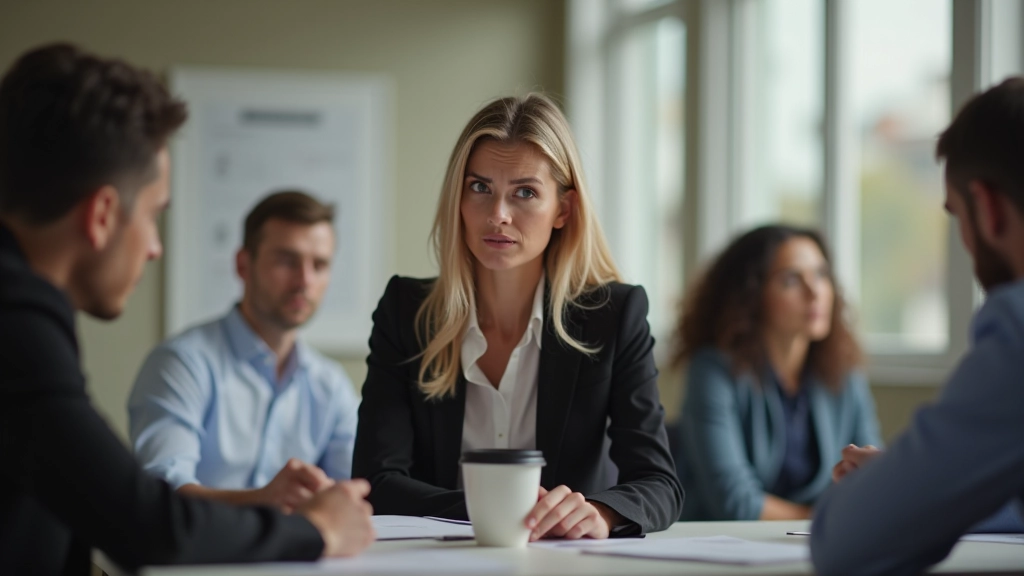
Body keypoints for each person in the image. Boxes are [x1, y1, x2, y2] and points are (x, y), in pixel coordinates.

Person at [0, 43, 374, 576]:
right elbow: (147, 523)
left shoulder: (24, 309)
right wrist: (316, 529)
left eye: (319, 263)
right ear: (103, 215)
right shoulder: (18, 323)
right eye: (154, 216)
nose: (154, 247)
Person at [352, 93, 683, 540]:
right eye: (480, 187)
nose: (498, 215)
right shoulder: (406, 312)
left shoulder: (614, 316)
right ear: (458, 198)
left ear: (563, 210)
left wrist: (601, 513)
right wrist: (501, 512)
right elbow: (376, 483)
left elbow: (659, 484)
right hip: (439, 560)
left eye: (525, 192)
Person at [810, 77, 1024, 575]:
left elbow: (844, 542)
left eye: (957, 216)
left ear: (988, 208)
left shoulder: (1016, 332)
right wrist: (917, 480)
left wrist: (904, 486)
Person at [128, 190, 359, 512]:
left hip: (296, 560)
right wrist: (264, 501)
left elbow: (355, 489)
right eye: (287, 261)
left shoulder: (330, 385)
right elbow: (163, 492)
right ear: (243, 264)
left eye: (319, 265)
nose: (304, 280)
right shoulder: (182, 364)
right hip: (200, 559)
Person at [670, 225, 882, 521]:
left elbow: (872, 481)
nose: (814, 292)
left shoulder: (843, 373)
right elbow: (734, 502)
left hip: (815, 543)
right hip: (722, 548)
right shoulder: (713, 370)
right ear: (751, 294)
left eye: (821, 275)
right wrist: (825, 519)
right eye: (791, 279)